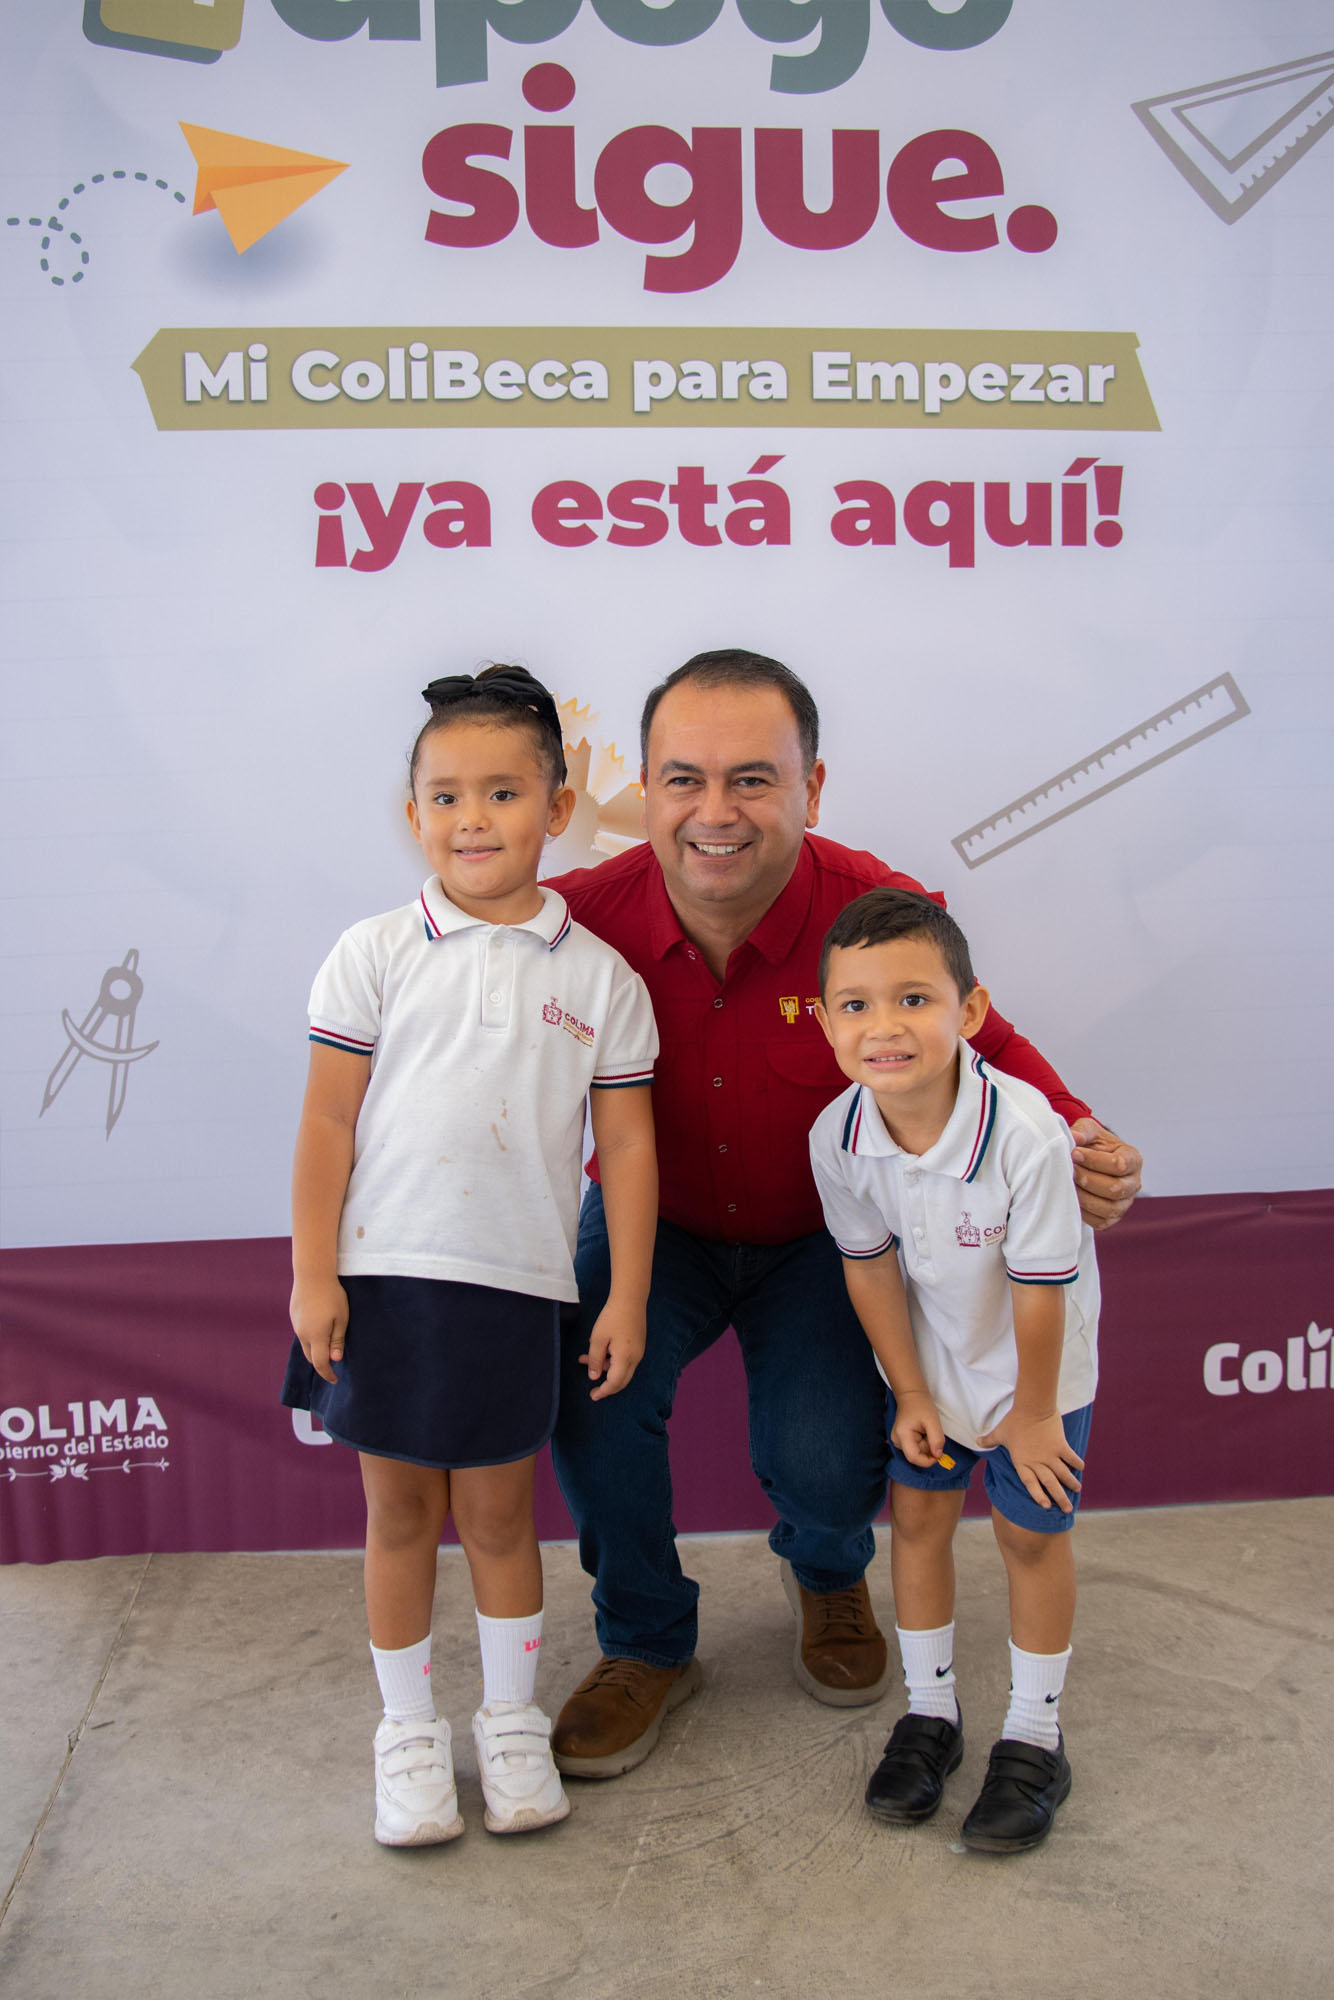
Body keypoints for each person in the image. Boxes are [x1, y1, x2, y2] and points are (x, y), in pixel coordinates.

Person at [543, 649, 1140, 1780]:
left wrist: (1082, 1135)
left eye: (752, 779)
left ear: (811, 789)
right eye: (682, 779)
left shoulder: (870, 910)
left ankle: (826, 1575)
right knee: (588, 1387)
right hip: (651, 1225)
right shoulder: (575, 924)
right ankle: (644, 1640)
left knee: (825, 1459)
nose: (714, 813)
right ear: (647, 790)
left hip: (827, 1239)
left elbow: (988, 1041)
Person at [282, 666, 658, 1845]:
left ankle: (508, 1720)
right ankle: (406, 1734)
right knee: (398, 1512)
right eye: (445, 796)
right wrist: (312, 1272)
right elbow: (326, 1122)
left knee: (499, 1515)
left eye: (502, 792)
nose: (472, 819)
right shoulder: (371, 951)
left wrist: (626, 1292)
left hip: (518, 1286)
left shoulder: (600, 978)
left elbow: (626, 1149)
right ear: (413, 815)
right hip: (384, 1280)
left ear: (558, 808)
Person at [809, 888, 1097, 1852]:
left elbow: (1041, 1288)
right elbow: (869, 1265)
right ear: (825, 1024)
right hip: (932, 1368)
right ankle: (931, 1712)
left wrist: (1034, 1414)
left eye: (914, 1000)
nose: (884, 1027)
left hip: (1037, 1375)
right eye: (855, 1005)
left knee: (1028, 1538)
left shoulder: (1027, 1133)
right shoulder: (837, 1136)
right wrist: (912, 1391)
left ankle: (1035, 1734)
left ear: (969, 1011)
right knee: (921, 1520)